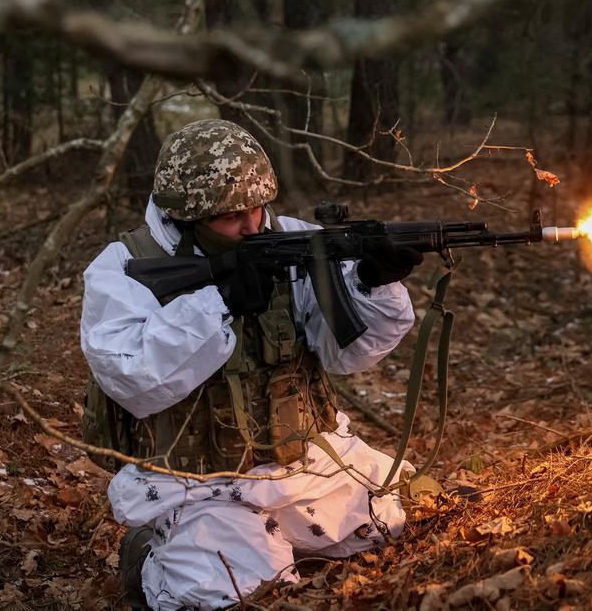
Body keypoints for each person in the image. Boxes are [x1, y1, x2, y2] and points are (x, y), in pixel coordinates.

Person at [79, 119, 422, 610]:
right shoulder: (124, 266)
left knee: (386, 531)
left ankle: (279, 540)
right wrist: (220, 301)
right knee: (233, 595)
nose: (252, 225)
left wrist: (372, 283)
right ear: (187, 217)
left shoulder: (291, 241)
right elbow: (132, 377)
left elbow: (344, 355)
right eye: (231, 217)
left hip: (304, 461)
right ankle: (149, 558)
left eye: (257, 208)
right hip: (197, 484)